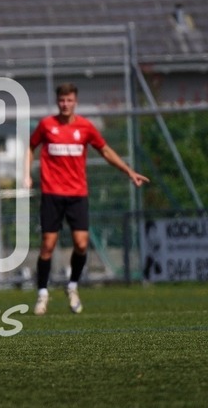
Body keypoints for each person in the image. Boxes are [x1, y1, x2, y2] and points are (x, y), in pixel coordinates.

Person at [24, 82, 149, 316]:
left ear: (76, 101)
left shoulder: (85, 127)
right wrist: (26, 175)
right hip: (52, 194)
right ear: (57, 101)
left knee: (81, 244)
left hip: (77, 194)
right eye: (62, 100)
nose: (65, 104)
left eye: (69, 100)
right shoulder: (47, 125)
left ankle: (72, 286)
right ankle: (42, 293)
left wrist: (128, 171)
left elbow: (105, 150)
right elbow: (30, 147)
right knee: (48, 245)